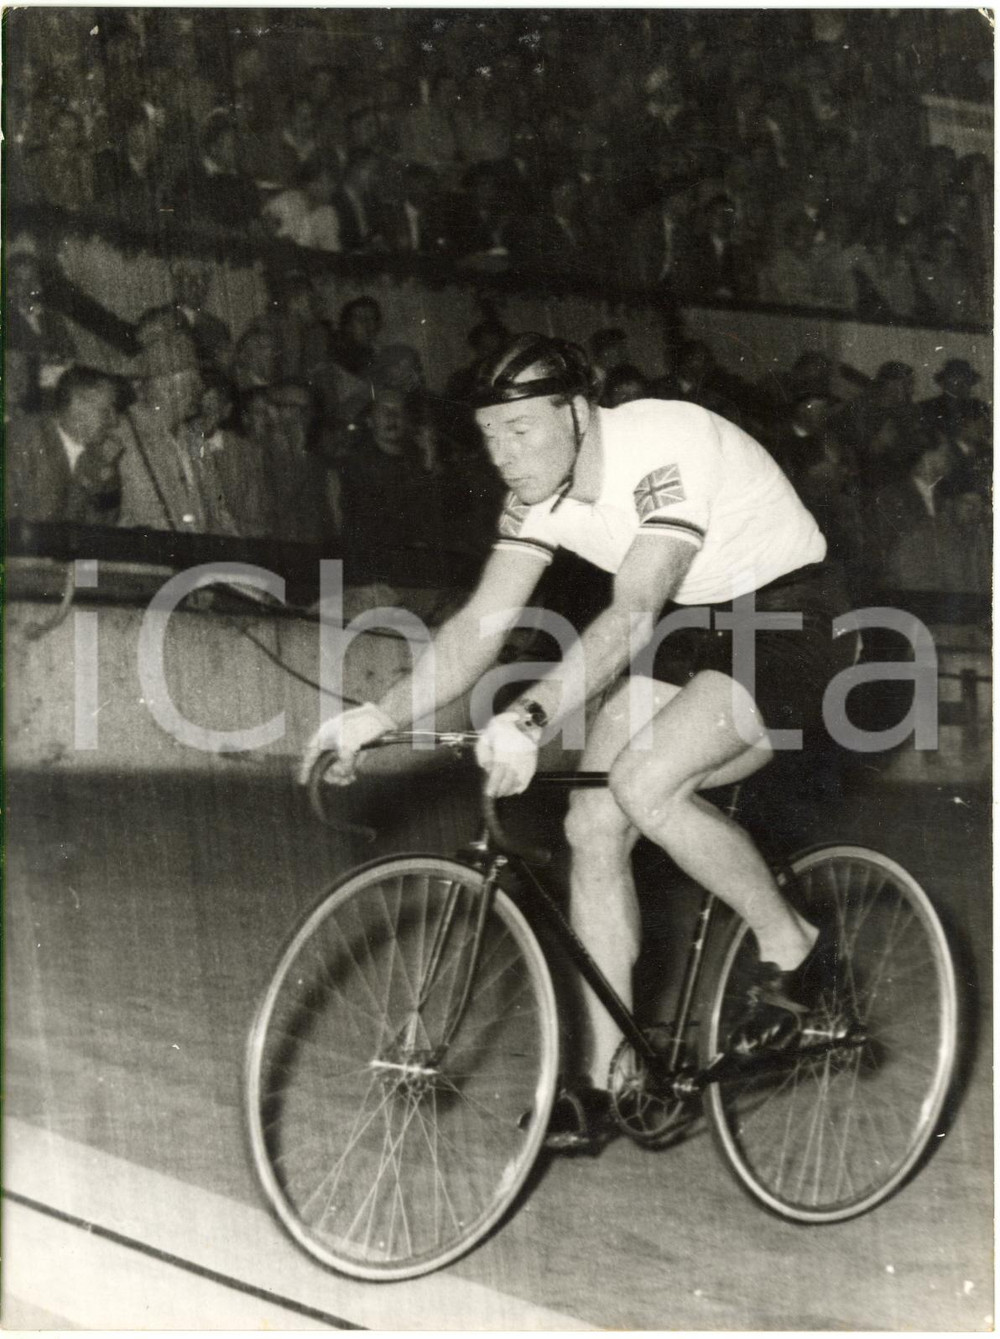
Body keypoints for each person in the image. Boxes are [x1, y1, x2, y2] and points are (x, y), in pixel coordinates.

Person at [300, 334, 854, 1148]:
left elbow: (634, 608)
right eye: (490, 436)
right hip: (696, 622)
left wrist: (530, 718)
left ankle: (795, 948)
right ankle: (606, 1078)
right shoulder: (534, 498)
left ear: (578, 412)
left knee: (644, 783)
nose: (504, 454)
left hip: (792, 616)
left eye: (522, 429)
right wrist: (378, 715)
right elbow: (479, 627)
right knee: (591, 824)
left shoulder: (664, 443)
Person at [6, 365, 122, 525]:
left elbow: (104, 527)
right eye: (105, 411)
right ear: (77, 404)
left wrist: (106, 478)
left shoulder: (99, 455)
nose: (114, 421)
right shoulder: (19, 440)